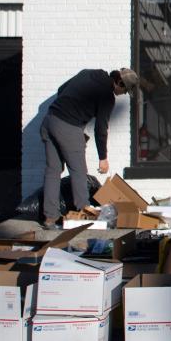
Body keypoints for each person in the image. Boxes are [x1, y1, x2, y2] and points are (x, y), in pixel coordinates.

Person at [40, 67, 138, 227]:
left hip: (50, 120)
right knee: (79, 172)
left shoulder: (88, 73)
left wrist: (71, 114)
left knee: (52, 171)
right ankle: (84, 213)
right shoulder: (107, 97)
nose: (123, 93)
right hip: (69, 127)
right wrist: (103, 158)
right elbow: (100, 128)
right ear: (119, 82)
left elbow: (61, 90)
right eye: (125, 90)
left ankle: (50, 217)